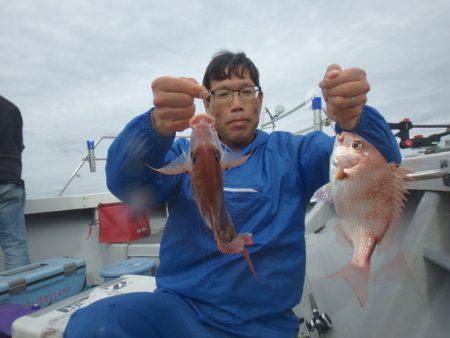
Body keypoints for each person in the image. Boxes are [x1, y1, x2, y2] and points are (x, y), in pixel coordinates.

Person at [64, 51, 400, 338]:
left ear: (261, 99)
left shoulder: (294, 153)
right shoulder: (183, 154)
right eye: (223, 94)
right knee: (94, 324)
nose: (237, 104)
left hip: (265, 325)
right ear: (207, 104)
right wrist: (153, 127)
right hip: (182, 313)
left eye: (246, 91)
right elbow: (125, 182)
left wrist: (355, 120)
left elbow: (378, 166)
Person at [0, 95, 30, 271]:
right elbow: (18, 146)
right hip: (9, 182)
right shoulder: (11, 108)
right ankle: (19, 297)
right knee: (14, 245)